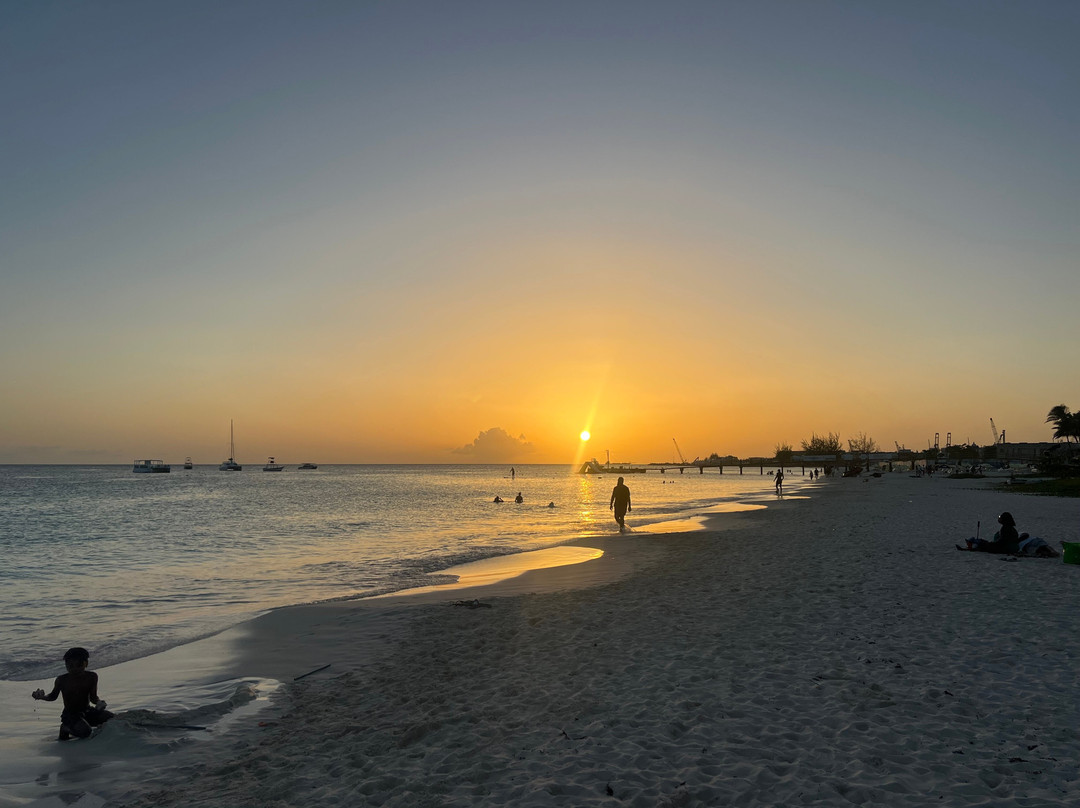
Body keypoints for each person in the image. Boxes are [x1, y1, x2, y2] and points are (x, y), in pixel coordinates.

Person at [32, 647, 113, 740]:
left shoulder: (92, 677)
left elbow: (93, 697)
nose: (74, 669)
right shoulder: (62, 680)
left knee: (113, 719)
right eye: (70, 666)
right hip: (70, 715)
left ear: (86, 663)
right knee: (86, 732)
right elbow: (52, 696)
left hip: (87, 711)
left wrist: (99, 703)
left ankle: (83, 723)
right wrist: (41, 697)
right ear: (66, 665)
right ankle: (65, 728)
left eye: (78, 665)